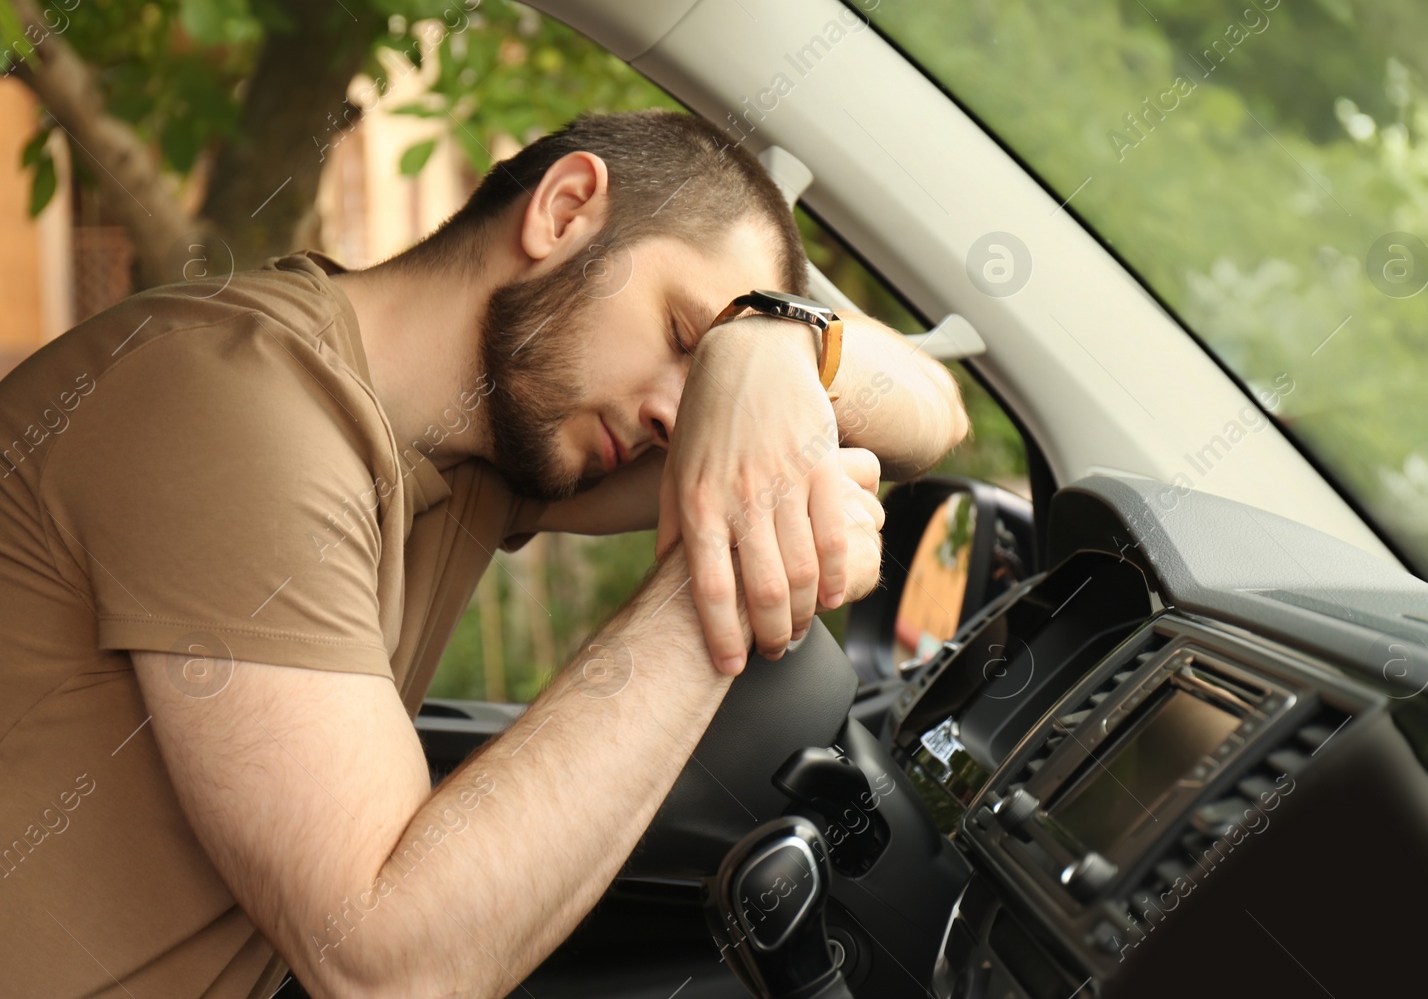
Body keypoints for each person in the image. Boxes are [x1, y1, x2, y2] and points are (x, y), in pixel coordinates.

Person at [0, 109, 969, 998]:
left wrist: (772, 341)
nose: (686, 411)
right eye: (680, 332)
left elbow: (930, 418)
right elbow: (392, 963)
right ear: (565, 209)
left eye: (707, 370)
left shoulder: (478, 444)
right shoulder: (230, 412)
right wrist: (724, 567)